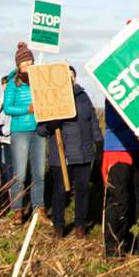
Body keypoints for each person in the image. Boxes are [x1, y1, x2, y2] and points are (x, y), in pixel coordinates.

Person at [39, 67, 100, 238]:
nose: (70, 79)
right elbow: (41, 129)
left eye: (72, 76)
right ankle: (58, 226)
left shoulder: (83, 96)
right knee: (59, 191)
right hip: (61, 155)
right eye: (66, 76)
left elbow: (92, 120)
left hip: (83, 153)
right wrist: (51, 124)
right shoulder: (52, 97)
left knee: (83, 190)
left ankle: (80, 225)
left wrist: (99, 142)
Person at [102, 94, 139, 257]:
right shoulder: (113, 82)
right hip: (118, 148)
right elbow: (113, 118)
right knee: (118, 199)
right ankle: (114, 248)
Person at [2, 43, 48, 223]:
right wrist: (28, 109)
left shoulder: (40, 79)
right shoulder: (13, 83)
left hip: (39, 130)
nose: (27, 63)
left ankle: (39, 208)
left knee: (39, 172)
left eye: (29, 59)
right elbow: (7, 108)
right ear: (18, 64)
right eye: (24, 61)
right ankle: (17, 209)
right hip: (20, 130)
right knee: (20, 172)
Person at [0, 75, 15, 195]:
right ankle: (4, 193)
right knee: (3, 167)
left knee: (9, 168)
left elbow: (10, 121)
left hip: (8, 138)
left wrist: (2, 130)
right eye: (4, 84)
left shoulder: (10, 99)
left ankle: (11, 195)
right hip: (0, 139)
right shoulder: (0, 101)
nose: (5, 86)